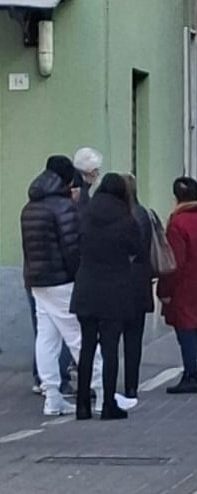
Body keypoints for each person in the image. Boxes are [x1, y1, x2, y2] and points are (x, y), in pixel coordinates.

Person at [20, 155, 103, 416]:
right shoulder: (62, 206)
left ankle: (52, 396)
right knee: (81, 336)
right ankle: (102, 392)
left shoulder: (30, 206)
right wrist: (80, 275)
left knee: (47, 338)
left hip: (37, 280)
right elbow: (71, 247)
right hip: (62, 281)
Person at [70, 174, 140, 420]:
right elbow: (137, 250)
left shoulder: (86, 214)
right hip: (114, 290)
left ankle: (82, 405)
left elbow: (75, 246)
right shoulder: (126, 218)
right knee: (110, 349)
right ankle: (108, 403)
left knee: (86, 347)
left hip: (86, 288)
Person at [157, 177, 197, 394]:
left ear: (176, 197)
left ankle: (190, 374)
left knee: (186, 329)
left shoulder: (177, 223)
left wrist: (164, 290)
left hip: (184, 285)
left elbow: (173, 261)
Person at [122, 174, 154, 400]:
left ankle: (109, 382)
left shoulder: (120, 216)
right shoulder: (143, 213)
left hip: (120, 283)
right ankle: (131, 385)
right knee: (134, 340)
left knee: (111, 338)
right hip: (140, 284)